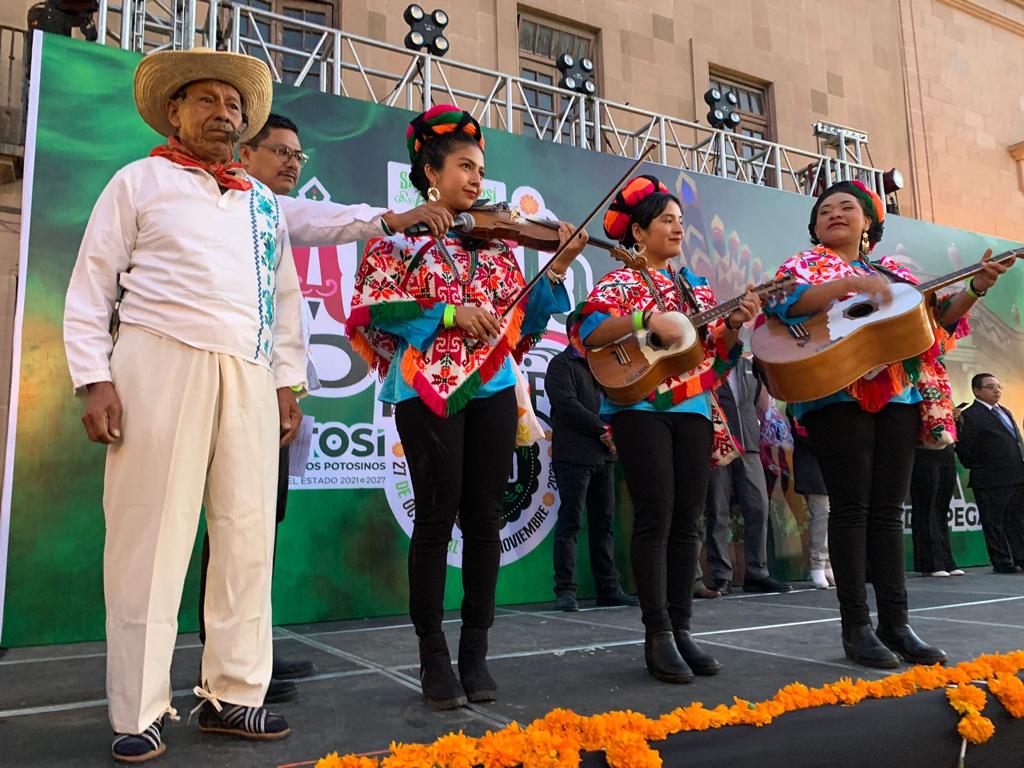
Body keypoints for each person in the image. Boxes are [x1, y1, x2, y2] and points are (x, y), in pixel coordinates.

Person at [63, 49, 302, 761]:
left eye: (234, 104)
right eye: (205, 100)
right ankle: (137, 711)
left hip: (250, 373)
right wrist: (92, 377)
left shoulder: (263, 203)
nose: (222, 113)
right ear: (175, 112)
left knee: (247, 537)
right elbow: (90, 286)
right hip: (156, 358)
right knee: (151, 539)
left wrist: (287, 382)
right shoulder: (138, 180)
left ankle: (235, 696)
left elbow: (284, 301)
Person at [193, 113, 454, 704]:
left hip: (268, 392)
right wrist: (389, 219)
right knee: (228, 528)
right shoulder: (237, 202)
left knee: (258, 527)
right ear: (245, 152)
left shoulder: (271, 219)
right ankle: (219, 662)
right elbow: (317, 217)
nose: (290, 162)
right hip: (217, 384)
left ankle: (245, 653)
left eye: (298, 155)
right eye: (279, 151)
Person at [346, 105, 588, 709]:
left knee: (485, 518)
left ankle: (475, 651)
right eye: (463, 166)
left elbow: (522, 324)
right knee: (434, 518)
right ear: (430, 172)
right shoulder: (397, 238)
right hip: (423, 388)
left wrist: (555, 270)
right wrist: (450, 313)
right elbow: (372, 309)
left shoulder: (498, 246)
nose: (477, 180)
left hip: (494, 387)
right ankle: (433, 655)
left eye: (480, 169)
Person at [762, 180, 1012, 669]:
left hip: (899, 393)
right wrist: (849, 287)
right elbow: (782, 304)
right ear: (814, 226)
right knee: (851, 508)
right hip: (837, 393)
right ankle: (856, 627)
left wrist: (979, 286)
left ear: (868, 223)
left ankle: (896, 624)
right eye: (825, 209)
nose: (835, 213)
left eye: (847, 207)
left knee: (887, 511)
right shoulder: (802, 266)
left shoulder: (895, 272)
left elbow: (936, 323)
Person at [570, 175, 759, 684]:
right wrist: (645, 320)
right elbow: (587, 331)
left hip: (693, 408)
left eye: (680, 220)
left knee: (687, 519)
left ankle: (682, 628)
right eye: (666, 221)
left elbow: (716, 350)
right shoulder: (618, 283)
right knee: (656, 513)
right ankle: (656, 633)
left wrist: (737, 322)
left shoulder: (695, 287)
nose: (678, 228)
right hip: (640, 408)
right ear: (638, 233)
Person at [546, 345, 637, 612]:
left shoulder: (602, 365)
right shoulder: (560, 364)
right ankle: (565, 590)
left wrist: (616, 431)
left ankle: (608, 589)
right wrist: (602, 429)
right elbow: (566, 405)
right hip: (573, 455)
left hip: (604, 457)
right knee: (570, 523)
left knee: (604, 526)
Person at [704, 353, 791, 595]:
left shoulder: (748, 365)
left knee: (758, 507)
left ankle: (757, 572)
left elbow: (755, 402)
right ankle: (721, 575)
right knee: (717, 510)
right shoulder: (707, 364)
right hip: (718, 446)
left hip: (749, 446)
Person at [955, 374, 1024, 573]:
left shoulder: (1004, 411)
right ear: (976, 390)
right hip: (990, 478)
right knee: (994, 523)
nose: (997, 391)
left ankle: (1021, 557)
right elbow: (966, 449)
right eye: (990, 387)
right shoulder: (970, 415)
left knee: (1017, 520)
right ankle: (1002, 561)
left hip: (1016, 476)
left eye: (999, 387)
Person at [786, 405, 834, 589]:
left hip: (828, 464)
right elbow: (803, 434)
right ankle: (817, 565)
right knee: (821, 514)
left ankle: (827, 564)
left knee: (829, 515)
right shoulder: (798, 404)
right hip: (811, 466)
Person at [910, 442, 964, 577]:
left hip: (946, 448)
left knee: (942, 507)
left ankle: (946, 561)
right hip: (923, 448)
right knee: (926, 507)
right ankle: (930, 563)